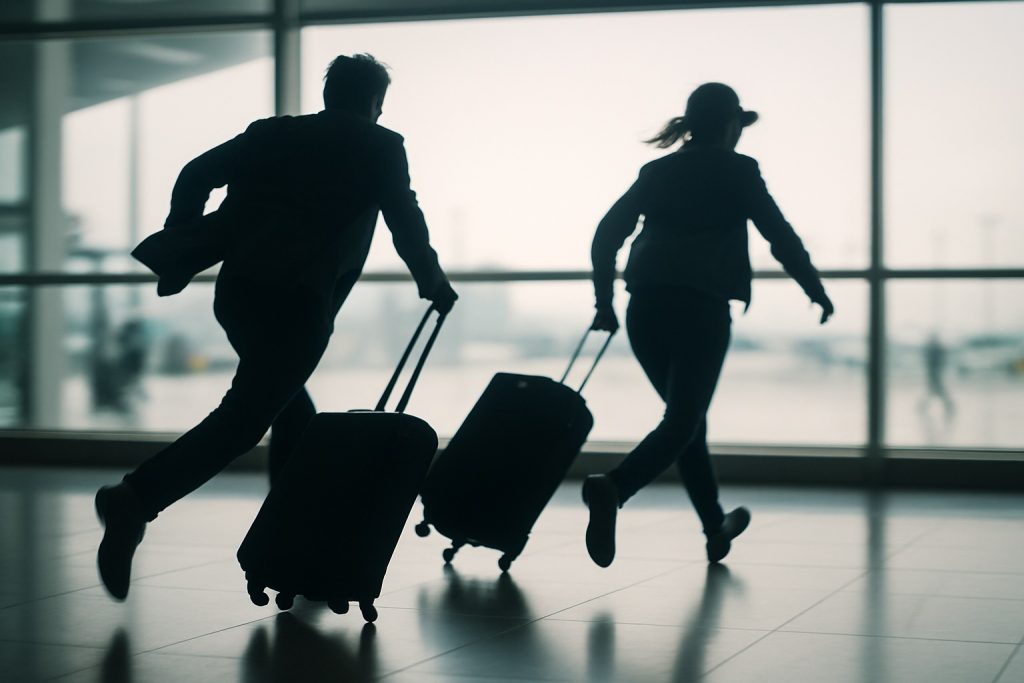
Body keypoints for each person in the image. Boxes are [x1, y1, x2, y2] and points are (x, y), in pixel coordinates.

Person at [94, 54, 458, 601]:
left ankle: (289, 550)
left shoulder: (270, 135)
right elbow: (404, 217)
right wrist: (432, 281)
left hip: (238, 295)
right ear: (375, 103)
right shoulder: (379, 145)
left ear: (330, 92)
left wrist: (183, 238)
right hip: (301, 305)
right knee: (244, 420)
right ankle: (137, 498)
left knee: (291, 414)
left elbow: (195, 175)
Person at [583, 83, 834, 567]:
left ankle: (714, 527)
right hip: (701, 308)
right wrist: (814, 287)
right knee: (683, 420)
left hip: (645, 309)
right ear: (728, 125)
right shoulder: (738, 170)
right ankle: (613, 487)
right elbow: (778, 234)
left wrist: (603, 303)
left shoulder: (657, 171)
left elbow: (606, 236)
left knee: (685, 422)